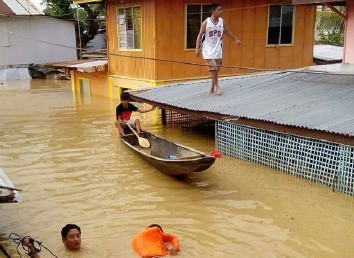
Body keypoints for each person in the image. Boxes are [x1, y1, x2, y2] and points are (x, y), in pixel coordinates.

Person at [195, 3, 241, 96]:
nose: (221, 11)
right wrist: (197, 49)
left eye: (221, 9)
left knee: (216, 70)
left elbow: (227, 31)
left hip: (218, 49)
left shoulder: (221, 22)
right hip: (208, 50)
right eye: (219, 10)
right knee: (213, 68)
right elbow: (199, 36)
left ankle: (212, 88)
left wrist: (235, 39)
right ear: (213, 11)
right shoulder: (206, 23)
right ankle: (217, 86)